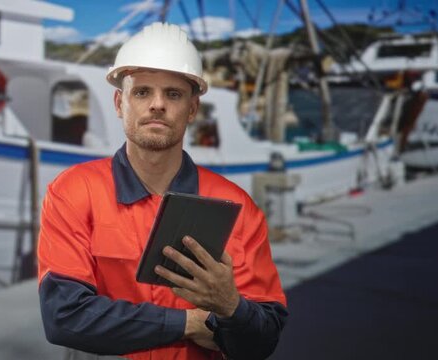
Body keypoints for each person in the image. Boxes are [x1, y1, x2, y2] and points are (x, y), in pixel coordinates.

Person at [38, 22, 288, 360]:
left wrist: (231, 305)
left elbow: (262, 342)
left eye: (173, 94)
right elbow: (64, 317)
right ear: (119, 102)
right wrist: (187, 323)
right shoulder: (74, 191)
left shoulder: (236, 206)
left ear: (192, 109)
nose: (157, 105)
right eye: (142, 92)